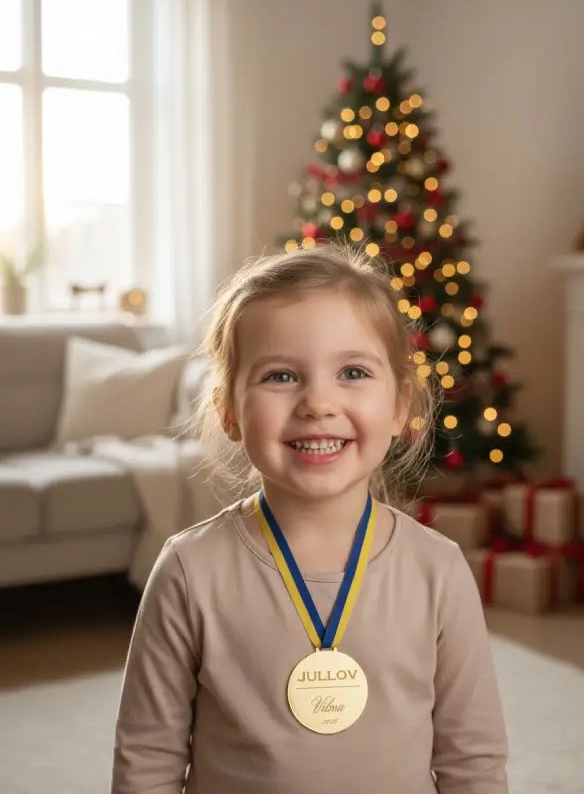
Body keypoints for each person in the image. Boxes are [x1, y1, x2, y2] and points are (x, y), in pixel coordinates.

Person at [111, 242, 508, 793]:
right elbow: (146, 762)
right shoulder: (188, 571)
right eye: (280, 376)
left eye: (352, 371)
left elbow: (474, 762)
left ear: (400, 406)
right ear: (229, 410)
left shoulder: (437, 570)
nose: (318, 403)